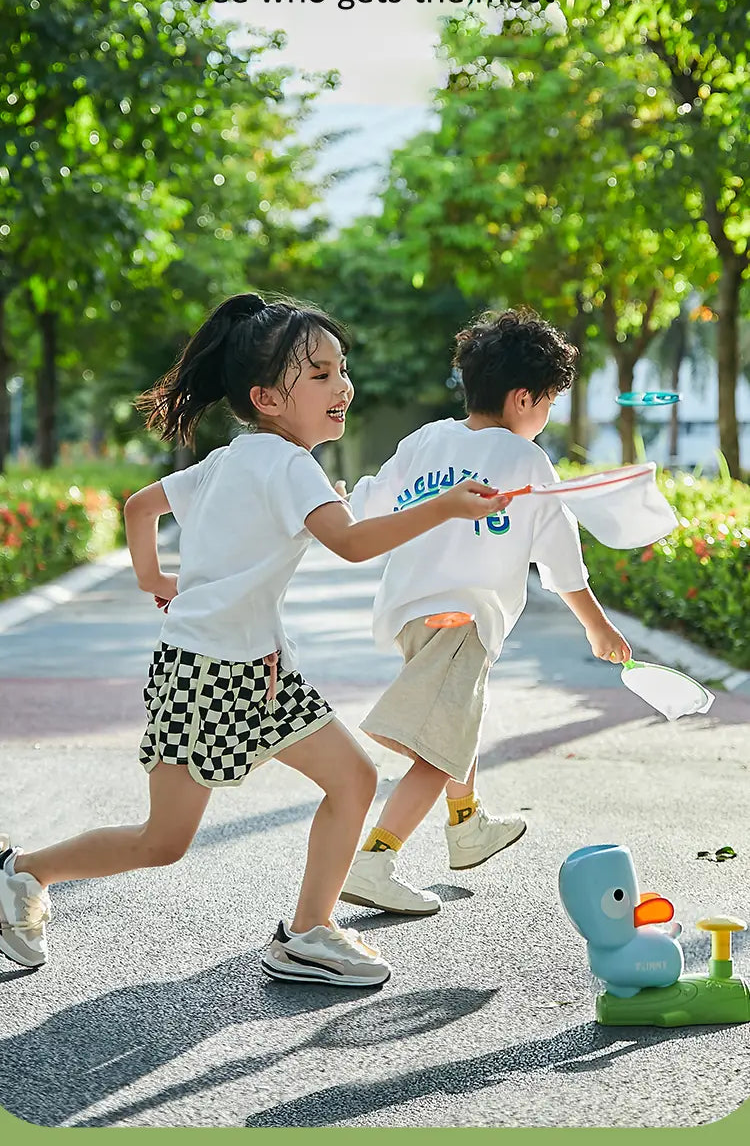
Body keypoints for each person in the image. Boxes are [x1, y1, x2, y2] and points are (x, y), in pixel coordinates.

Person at [0, 293, 503, 988]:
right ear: (267, 397)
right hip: (208, 674)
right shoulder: (289, 466)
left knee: (351, 779)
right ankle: (22, 875)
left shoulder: (233, 459)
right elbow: (352, 543)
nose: (343, 386)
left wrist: (158, 578)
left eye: (341, 368)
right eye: (320, 374)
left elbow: (139, 506)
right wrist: (443, 507)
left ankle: (308, 932)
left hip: (255, 669)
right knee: (163, 842)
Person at [340, 309, 632, 917]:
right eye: (549, 402)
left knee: (455, 721)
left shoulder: (424, 441)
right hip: (464, 618)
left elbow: (367, 501)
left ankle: (467, 822)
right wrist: (596, 623)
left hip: (411, 617)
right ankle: (375, 858)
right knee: (436, 749)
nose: (547, 415)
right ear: (524, 397)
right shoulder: (526, 461)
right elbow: (559, 557)